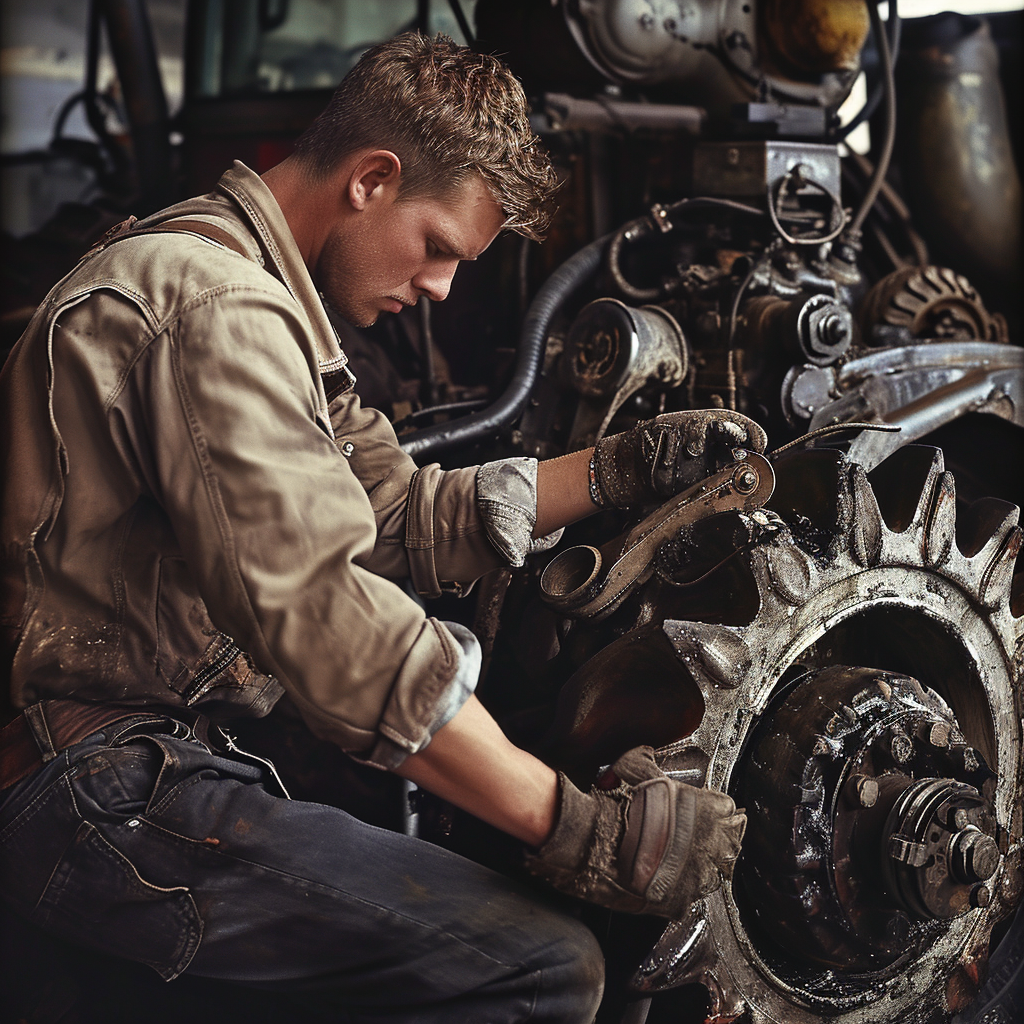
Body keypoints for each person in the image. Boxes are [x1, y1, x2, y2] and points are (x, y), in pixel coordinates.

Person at [0, 33, 761, 1023]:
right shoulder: (215, 308)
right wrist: (567, 822)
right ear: (372, 179)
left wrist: (624, 469)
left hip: (141, 760)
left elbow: (398, 513)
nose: (441, 287)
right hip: (90, 791)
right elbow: (328, 613)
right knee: (540, 966)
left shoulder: (243, 283)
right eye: (439, 245)